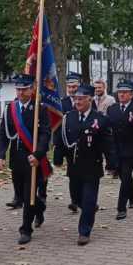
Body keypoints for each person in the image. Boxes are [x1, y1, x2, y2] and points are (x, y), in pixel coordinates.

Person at [54, 85, 117, 245]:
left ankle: (84, 231)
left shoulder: (100, 119)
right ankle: (88, 208)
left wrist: (111, 163)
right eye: (75, 98)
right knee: (76, 198)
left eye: (81, 98)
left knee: (88, 199)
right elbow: (60, 139)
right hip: (74, 166)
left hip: (92, 166)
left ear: (90, 99)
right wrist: (58, 158)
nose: (77, 101)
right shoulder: (68, 117)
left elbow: (108, 144)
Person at [0, 74, 51, 245]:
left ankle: (26, 229)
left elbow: (45, 134)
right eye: (18, 89)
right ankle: (40, 208)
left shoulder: (39, 109)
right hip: (16, 158)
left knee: (28, 197)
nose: (20, 92)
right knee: (20, 196)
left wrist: (38, 154)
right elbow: (2, 135)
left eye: (24, 89)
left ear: (32, 89)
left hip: (32, 159)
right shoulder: (10, 109)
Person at [107, 80, 133, 220]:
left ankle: (121, 208)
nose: (121, 95)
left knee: (125, 176)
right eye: (120, 92)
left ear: (131, 95)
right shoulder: (112, 109)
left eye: (125, 92)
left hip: (130, 149)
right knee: (124, 177)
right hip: (115, 149)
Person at [53, 72, 81, 213]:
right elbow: (57, 126)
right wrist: (57, 147)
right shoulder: (61, 103)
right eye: (69, 87)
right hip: (67, 144)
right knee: (72, 174)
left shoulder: (86, 101)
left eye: (74, 86)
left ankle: (83, 198)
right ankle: (74, 201)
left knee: (83, 173)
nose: (72, 89)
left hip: (83, 144)